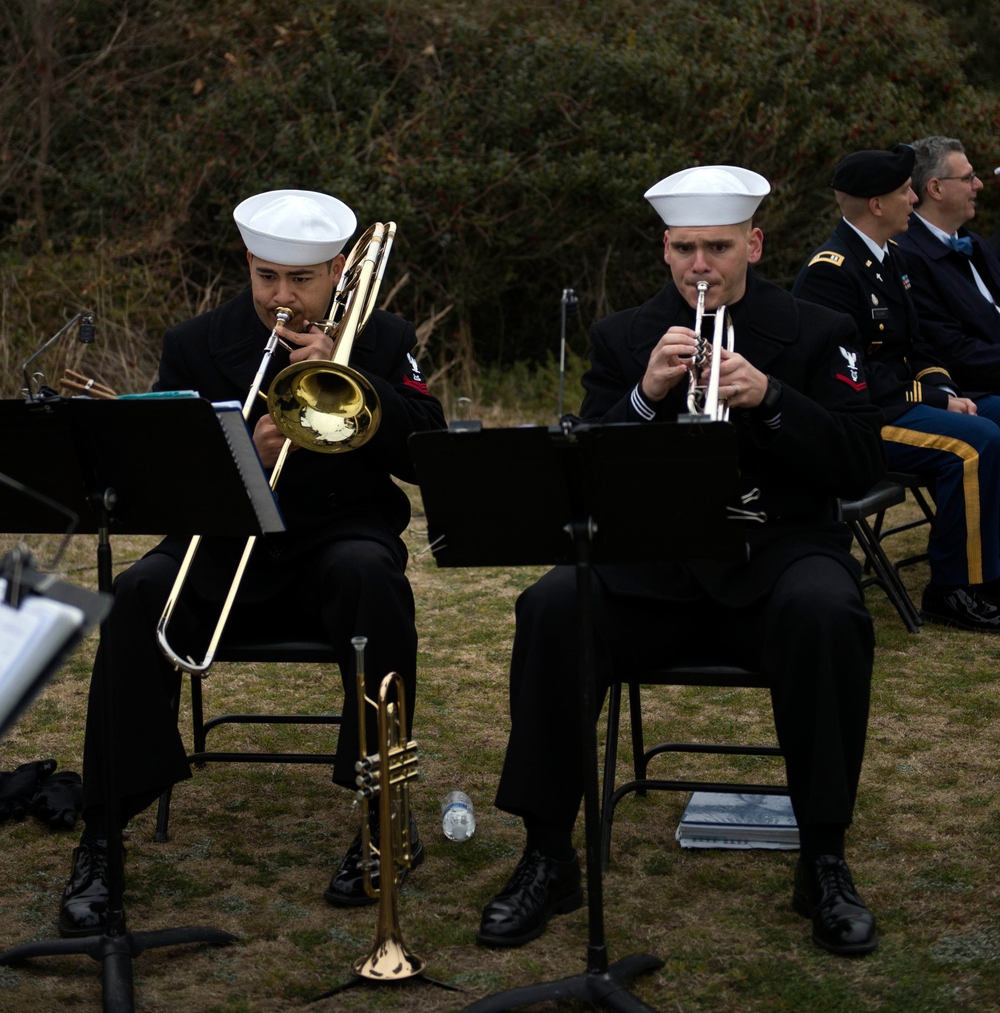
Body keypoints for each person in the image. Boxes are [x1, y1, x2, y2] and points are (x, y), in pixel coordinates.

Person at [478, 166, 884, 959]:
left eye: (720, 248)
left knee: (828, 612)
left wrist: (771, 398)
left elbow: (861, 462)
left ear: (754, 245)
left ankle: (824, 857)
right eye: (686, 248)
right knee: (552, 604)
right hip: (655, 570)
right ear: (664, 250)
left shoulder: (816, 329)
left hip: (777, 554)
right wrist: (643, 398)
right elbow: (583, 471)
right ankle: (547, 853)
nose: (702, 266)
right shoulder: (623, 336)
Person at [58, 189, 446, 935]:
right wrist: (243, 450)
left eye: (300, 280)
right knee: (139, 591)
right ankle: (103, 834)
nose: (282, 298)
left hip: (340, 538)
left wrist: (354, 373)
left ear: (338, 271)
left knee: (373, 582)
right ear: (247, 265)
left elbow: (425, 452)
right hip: (227, 538)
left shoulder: (383, 333)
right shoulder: (198, 340)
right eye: (266, 277)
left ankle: (382, 817)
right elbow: (172, 478)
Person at [793, 146, 1000, 632]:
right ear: (877, 205)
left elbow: (920, 344)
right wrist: (929, 400)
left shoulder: (890, 259)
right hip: (862, 419)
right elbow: (850, 373)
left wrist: (944, 391)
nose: (914, 198)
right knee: (976, 445)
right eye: (904, 191)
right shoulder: (831, 271)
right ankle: (952, 590)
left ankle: (991, 570)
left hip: (902, 403)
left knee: (996, 417)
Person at [894, 136, 1000, 393]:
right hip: (974, 391)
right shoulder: (909, 257)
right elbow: (953, 353)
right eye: (967, 178)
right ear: (936, 189)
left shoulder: (971, 241)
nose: (979, 184)